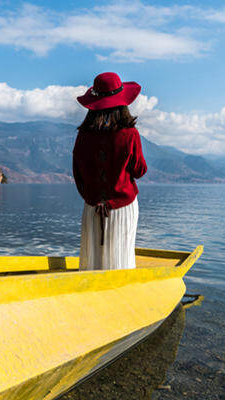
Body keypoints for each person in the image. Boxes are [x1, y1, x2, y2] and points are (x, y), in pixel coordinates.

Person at [73, 72, 147, 270]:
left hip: (92, 207)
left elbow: (78, 174)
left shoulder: (83, 135)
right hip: (123, 206)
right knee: (121, 259)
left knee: (92, 260)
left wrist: (92, 197)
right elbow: (139, 170)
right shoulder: (130, 134)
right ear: (122, 102)